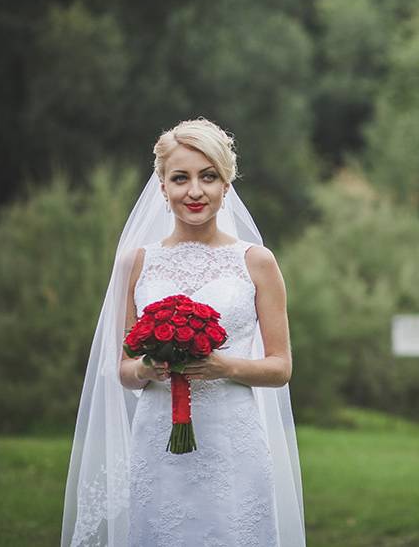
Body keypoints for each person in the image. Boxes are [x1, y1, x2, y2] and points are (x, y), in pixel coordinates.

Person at [61, 119, 306, 546]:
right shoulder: (135, 263)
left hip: (232, 441)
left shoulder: (257, 262)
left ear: (226, 184)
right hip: (157, 440)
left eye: (208, 177)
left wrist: (222, 366)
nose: (195, 191)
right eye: (180, 178)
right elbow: (122, 369)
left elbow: (280, 367)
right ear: (162, 186)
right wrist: (146, 368)